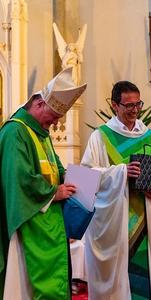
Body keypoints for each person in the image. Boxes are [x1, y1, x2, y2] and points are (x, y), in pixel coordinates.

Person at [0, 67, 87, 299]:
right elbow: (18, 178)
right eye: (53, 117)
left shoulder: (40, 132)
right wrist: (53, 193)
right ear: (39, 104)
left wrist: (78, 179)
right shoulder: (15, 132)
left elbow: (56, 169)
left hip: (48, 223)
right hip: (28, 225)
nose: (55, 123)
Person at [81, 81, 151, 300]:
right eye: (128, 105)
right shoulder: (100, 137)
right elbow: (85, 180)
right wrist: (121, 173)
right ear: (114, 106)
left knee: (145, 278)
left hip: (145, 220)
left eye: (138, 104)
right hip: (114, 224)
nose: (134, 110)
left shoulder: (149, 136)